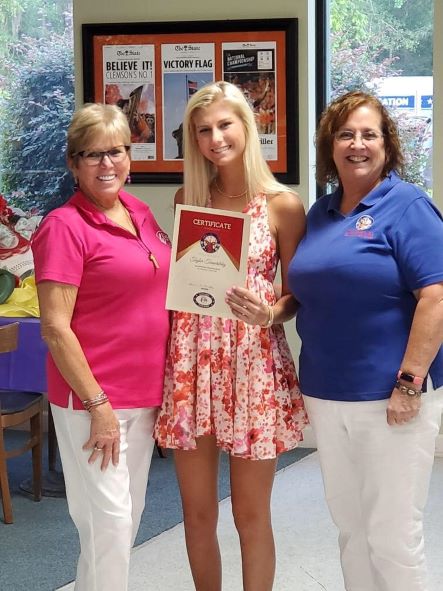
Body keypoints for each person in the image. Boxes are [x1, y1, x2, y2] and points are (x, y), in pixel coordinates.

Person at [154, 81, 308, 591]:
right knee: (196, 514)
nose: (215, 137)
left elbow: (298, 295)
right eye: (203, 130)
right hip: (192, 364)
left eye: (225, 124)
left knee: (250, 516)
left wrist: (269, 313)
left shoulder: (282, 204)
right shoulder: (188, 199)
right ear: (193, 140)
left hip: (253, 365)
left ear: (247, 125)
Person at [288, 90, 443, 591]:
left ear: (387, 145)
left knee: (393, 536)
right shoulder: (321, 212)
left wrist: (408, 383)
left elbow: (436, 298)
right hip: (327, 394)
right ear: (329, 146)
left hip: (391, 397)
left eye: (368, 134)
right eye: (345, 134)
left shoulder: (408, 205)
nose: (357, 144)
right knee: (351, 530)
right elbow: (306, 291)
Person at [31, 103, 171, 591]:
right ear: (74, 164)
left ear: (130, 156)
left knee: (122, 521)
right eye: (92, 155)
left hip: (145, 393)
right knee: (107, 523)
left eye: (115, 151)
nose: (106, 164)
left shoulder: (139, 212)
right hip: (93, 400)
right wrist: (99, 405)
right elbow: (55, 328)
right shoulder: (63, 227)